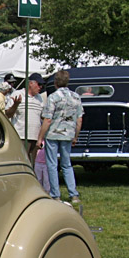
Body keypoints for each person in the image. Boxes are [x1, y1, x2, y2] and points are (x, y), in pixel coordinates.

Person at [36, 69, 83, 204]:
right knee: (67, 164)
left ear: (56, 82)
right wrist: (76, 136)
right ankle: (73, 194)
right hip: (68, 134)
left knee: (52, 164)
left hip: (53, 134)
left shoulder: (53, 97)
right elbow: (79, 119)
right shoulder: (75, 97)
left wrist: (40, 137)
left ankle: (55, 194)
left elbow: (47, 119)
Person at [5, 72, 45, 163]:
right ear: (31, 83)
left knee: (31, 164)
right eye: (39, 84)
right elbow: (7, 114)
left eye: (42, 85)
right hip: (21, 136)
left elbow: (42, 116)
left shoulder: (40, 98)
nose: (40, 87)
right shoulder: (17, 94)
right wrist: (15, 105)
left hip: (35, 137)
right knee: (21, 162)